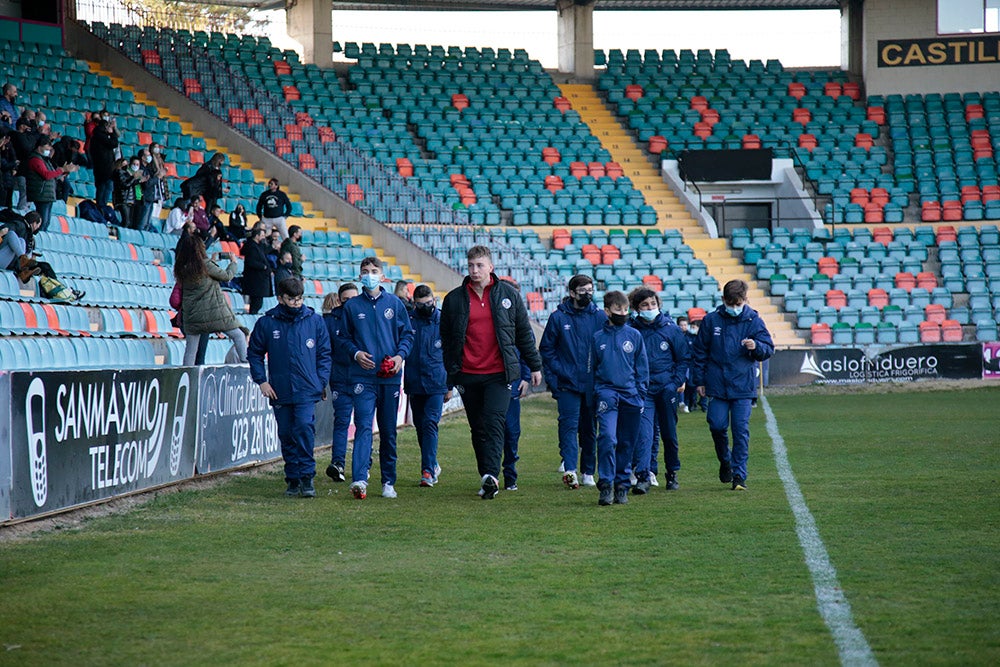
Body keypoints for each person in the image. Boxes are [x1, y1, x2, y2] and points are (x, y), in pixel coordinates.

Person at [439, 245, 542, 500]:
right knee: (478, 427)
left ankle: (492, 477)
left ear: (491, 267)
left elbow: (522, 333)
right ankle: (485, 475)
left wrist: (535, 365)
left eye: (480, 265)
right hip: (468, 373)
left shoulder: (508, 295)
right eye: (471, 265)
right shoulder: (453, 299)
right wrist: (449, 379)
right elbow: (448, 342)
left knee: (495, 422)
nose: (475, 270)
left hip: (499, 373)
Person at [337, 256, 414, 500]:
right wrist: (356, 353)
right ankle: (360, 479)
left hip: (390, 377)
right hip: (362, 377)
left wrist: (400, 357)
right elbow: (342, 338)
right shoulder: (352, 307)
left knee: (389, 431)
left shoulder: (395, 304)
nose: (369, 274)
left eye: (374, 270)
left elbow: (408, 335)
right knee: (363, 426)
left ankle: (388, 481)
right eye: (365, 271)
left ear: (382, 275)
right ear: (359, 275)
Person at [248, 276, 332, 498]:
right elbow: (254, 353)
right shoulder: (267, 323)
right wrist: (262, 381)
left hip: (307, 389)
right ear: (280, 298)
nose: (297, 303)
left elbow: (324, 354)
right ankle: (293, 479)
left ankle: (307, 477)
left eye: (300, 298)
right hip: (280, 389)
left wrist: (320, 381)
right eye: (292, 299)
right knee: (286, 433)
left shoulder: (314, 321)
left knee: (304, 429)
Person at [692, 279, 774, 491]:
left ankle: (739, 475)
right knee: (717, 425)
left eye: (739, 304)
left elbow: (768, 348)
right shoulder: (711, 321)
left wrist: (756, 346)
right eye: (731, 304)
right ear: (723, 300)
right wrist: (699, 380)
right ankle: (725, 460)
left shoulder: (753, 320)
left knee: (740, 430)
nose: (735, 308)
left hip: (742, 387)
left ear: (745, 300)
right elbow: (700, 352)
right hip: (717, 385)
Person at [539, 274, 606, 489]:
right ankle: (570, 470)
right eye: (583, 291)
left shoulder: (600, 316)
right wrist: (558, 375)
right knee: (568, 426)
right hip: (567, 383)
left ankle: (588, 472)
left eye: (590, 290)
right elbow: (547, 350)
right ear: (571, 293)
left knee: (589, 429)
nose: (587, 294)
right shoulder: (558, 317)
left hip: (592, 383)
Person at [591, 290, 648, 506]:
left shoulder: (634, 336)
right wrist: (596, 393)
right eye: (618, 310)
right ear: (607, 311)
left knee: (626, 442)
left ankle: (621, 485)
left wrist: (640, 394)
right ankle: (605, 484)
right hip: (607, 394)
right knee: (607, 437)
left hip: (631, 396)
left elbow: (642, 368)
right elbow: (592, 369)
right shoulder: (598, 338)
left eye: (625, 310)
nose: (622, 313)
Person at [628, 288, 689, 494]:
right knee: (643, 435)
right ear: (637, 308)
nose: (650, 308)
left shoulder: (671, 330)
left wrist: (674, 384)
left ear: (658, 305)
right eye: (645, 305)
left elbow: (682, 360)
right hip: (644, 392)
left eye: (652, 304)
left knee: (669, 435)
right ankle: (644, 476)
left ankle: (672, 473)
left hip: (666, 390)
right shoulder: (632, 331)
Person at [173, 233, 247, 366]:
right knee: (239, 335)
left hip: (192, 316)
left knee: (191, 350)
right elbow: (227, 276)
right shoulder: (206, 265)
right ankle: (247, 366)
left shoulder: (182, 269)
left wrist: (212, 261)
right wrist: (233, 263)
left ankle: (186, 376)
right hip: (214, 313)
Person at [404, 284, 450, 487]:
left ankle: (427, 471)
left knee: (430, 423)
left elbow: (451, 354)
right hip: (414, 381)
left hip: (436, 381)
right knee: (421, 427)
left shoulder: (443, 321)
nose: (425, 307)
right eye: (421, 304)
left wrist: (450, 384)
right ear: (414, 303)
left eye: (429, 303)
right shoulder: (409, 320)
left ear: (434, 300)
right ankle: (432, 463)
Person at [0, 211, 84, 301]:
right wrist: (4, 231)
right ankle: (23, 265)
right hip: (6, 260)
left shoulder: (28, 235)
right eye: (38, 225)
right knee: (12, 235)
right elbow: (6, 229)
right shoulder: (20, 225)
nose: (38, 228)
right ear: (34, 223)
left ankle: (62, 291)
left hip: (11, 262)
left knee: (24, 244)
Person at [322, 282, 359, 483]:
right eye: (346, 300)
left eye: (354, 299)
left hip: (364, 379)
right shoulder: (330, 322)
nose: (350, 304)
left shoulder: (367, 318)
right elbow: (324, 353)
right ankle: (338, 464)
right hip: (340, 380)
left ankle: (364, 463)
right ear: (339, 300)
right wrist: (322, 381)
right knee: (342, 421)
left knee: (363, 422)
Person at [25, 137, 76, 231]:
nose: (49, 151)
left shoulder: (46, 160)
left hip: (47, 194)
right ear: (40, 147)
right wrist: (62, 170)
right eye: (47, 149)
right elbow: (46, 175)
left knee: (46, 222)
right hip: (41, 193)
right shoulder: (35, 159)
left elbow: (53, 175)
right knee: (42, 222)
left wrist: (64, 171)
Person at [677, 316, 707, 413]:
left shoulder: (692, 337)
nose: (683, 327)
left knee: (693, 384)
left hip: (693, 362)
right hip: (684, 363)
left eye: (685, 325)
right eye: (681, 325)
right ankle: (684, 402)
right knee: (685, 383)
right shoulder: (677, 336)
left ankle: (694, 403)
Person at [240, 225, 273, 315]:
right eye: (262, 235)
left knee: (258, 303)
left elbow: (266, 251)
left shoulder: (259, 246)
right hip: (255, 281)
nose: (263, 237)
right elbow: (251, 262)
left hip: (259, 281)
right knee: (256, 303)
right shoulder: (251, 246)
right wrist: (263, 267)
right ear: (257, 236)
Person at [89, 117, 119, 207]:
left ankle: (101, 206)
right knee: (104, 188)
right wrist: (112, 133)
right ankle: (101, 207)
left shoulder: (96, 136)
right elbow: (114, 143)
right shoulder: (100, 136)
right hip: (104, 168)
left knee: (105, 187)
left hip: (102, 168)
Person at [113, 157, 145, 229]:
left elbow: (130, 184)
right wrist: (134, 177)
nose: (125, 166)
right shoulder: (119, 173)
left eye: (126, 164)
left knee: (129, 222)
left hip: (129, 199)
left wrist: (139, 181)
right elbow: (125, 185)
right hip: (123, 199)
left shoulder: (126, 173)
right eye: (123, 164)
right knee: (126, 221)